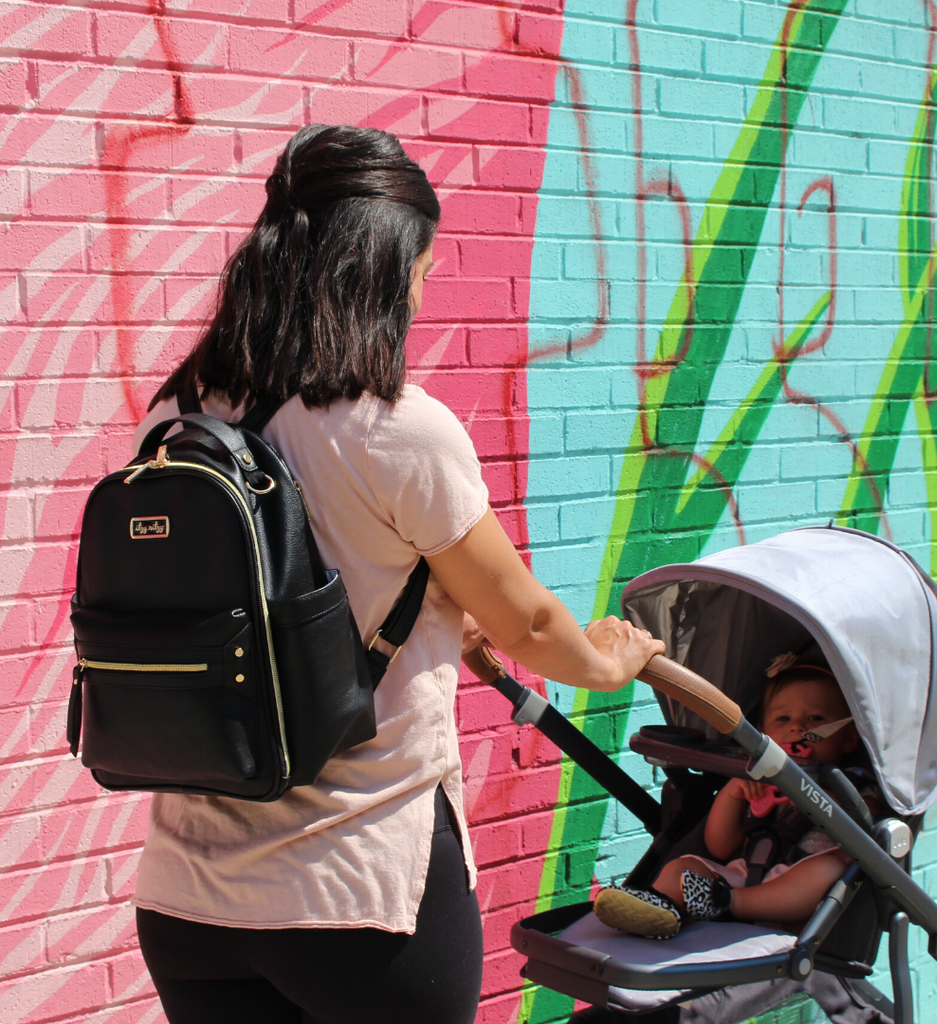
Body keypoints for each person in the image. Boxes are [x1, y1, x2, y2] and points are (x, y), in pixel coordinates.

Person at [130, 124, 665, 1024]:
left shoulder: (175, 417)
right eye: (419, 266)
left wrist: (438, 614)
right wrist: (610, 662)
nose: (422, 288)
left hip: (189, 897)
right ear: (377, 269)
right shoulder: (396, 428)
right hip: (356, 897)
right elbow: (532, 624)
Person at [594, 665, 878, 939]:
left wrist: (828, 802)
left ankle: (728, 903)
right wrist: (732, 794)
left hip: (795, 898)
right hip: (739, 879)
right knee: (683, 866)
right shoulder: (755, 780)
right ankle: (659, 906)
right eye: (782, 719)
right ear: (761, 734)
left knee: (829, 869)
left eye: (815, 718)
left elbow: (871, 829)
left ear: (848, 738)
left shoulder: (853, 787)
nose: (797, 728)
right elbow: (720, 847)